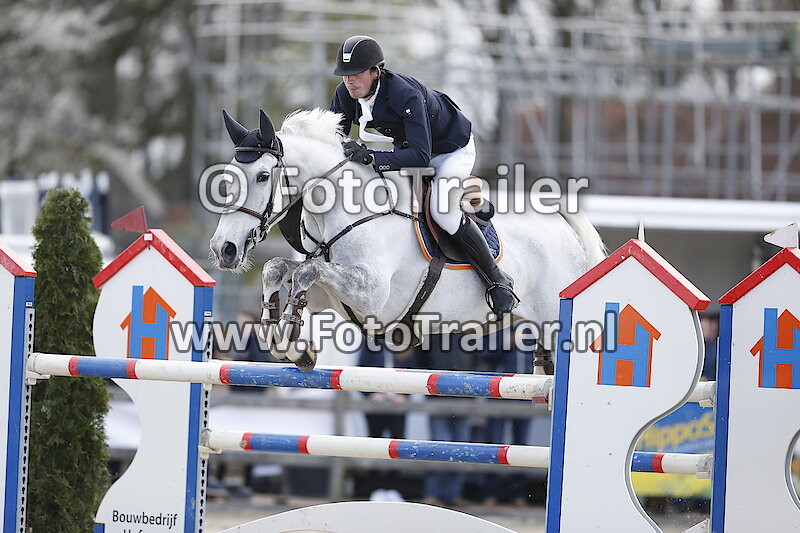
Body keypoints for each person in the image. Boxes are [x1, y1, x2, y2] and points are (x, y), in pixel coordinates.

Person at [329, 35, 518, 320]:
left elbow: (420, 157)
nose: (349, 81)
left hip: (451, 150)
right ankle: (469, 197)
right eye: (345, 75)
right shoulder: (346, 94)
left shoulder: (405, 94)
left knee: (441, 211)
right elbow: (333, 139)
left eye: (356, 74)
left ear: (375, 72)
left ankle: (497, 280)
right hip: (409, 147)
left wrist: (370, 158)